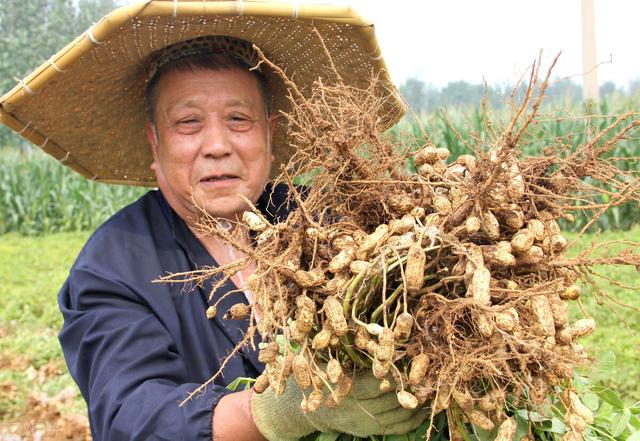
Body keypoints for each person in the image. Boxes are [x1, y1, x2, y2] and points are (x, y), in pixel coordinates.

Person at [0, 1, 421, 440]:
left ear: (269, 134)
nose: (217, 145)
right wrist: (280, 411)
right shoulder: (112, 267)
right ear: (154, 142)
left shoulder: (326, 219)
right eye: (188, 122)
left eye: (239, 119)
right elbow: (131, 416)